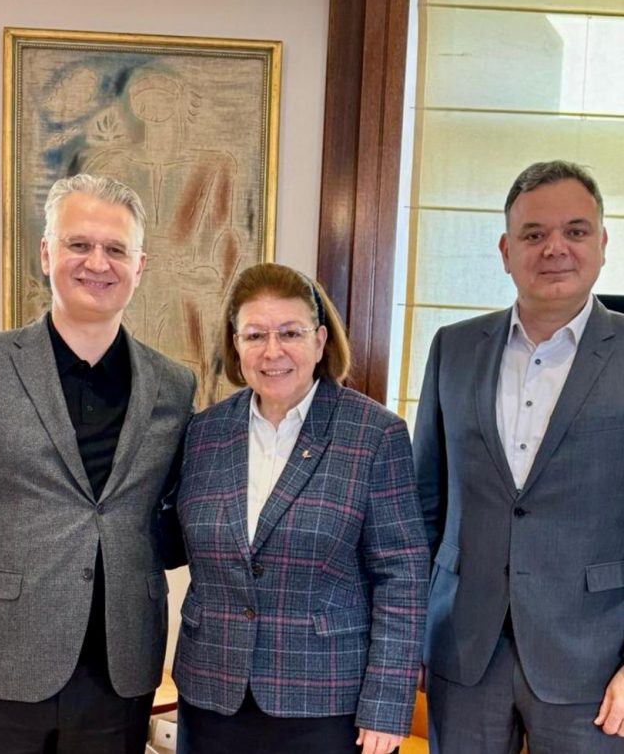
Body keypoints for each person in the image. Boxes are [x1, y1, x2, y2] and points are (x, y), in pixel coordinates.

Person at [0, 174, 195, 753]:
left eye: (116, 248)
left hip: (120, 669)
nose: (97, 262)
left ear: (139, 266)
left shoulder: (174, 386)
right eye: (80, 244)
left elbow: (180, 515)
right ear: (47, 254)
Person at [172, 262, 429, 754]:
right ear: (235, 345)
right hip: (212, 695)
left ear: (320, 340)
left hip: (327, 703)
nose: (273, 351)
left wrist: (387, 704)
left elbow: (403, 576)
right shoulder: (204, 433)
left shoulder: (374, 434)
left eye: (290, 332)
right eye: (255, 335)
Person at [414, 160, 624, 753]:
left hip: (593, 658)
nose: (554, 248)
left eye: (575, 231)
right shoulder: (453, 348)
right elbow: (422, 508)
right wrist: (410, 636)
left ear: (602, 243)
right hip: (462, 649)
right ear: (507, 251)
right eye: (534, 234)